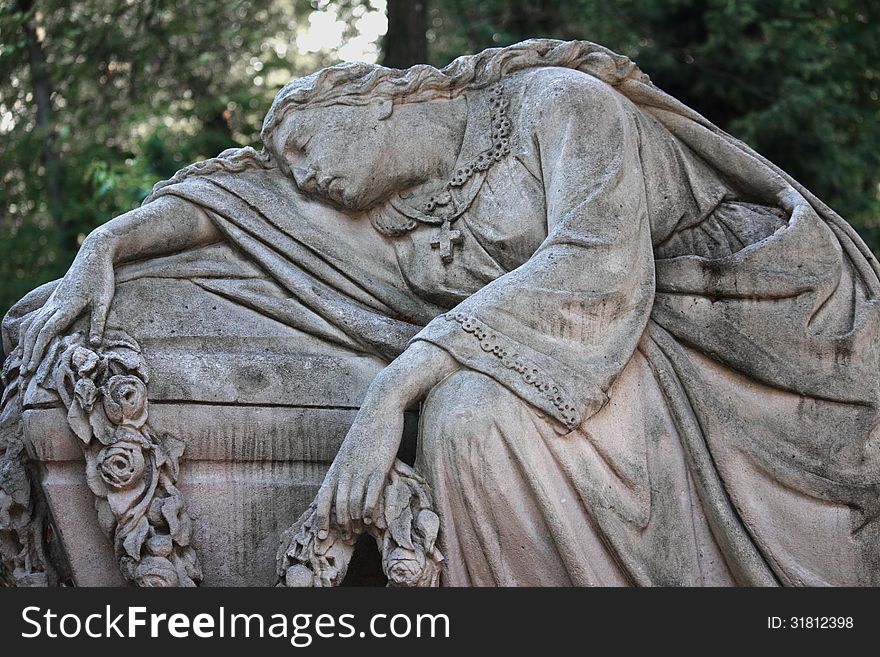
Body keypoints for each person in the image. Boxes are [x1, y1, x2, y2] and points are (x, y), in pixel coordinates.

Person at [4, 39, 880, 586]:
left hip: (734, 323)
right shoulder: (393, 220)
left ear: (374, 99)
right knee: (471, 417)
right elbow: (233, 200)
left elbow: (599, 264)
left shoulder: (557, 103)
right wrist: (103, 248)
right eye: (294, 167)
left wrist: (396, 388)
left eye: (307, 145)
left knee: (467, 415)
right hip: (583, 348)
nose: (306, 177)